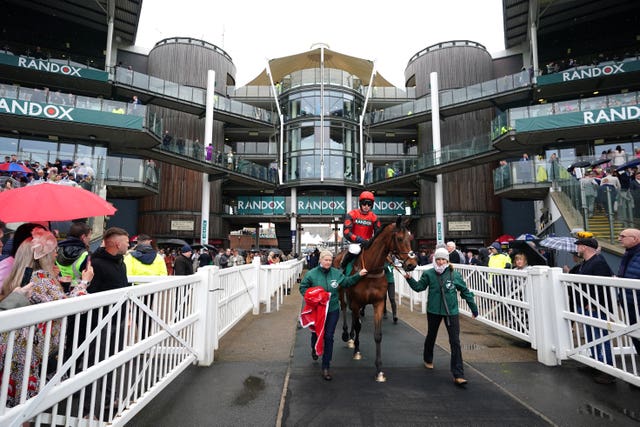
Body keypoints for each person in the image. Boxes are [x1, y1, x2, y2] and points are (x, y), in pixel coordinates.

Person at [0, 228, 92, 408]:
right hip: (33, 352)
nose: (57, 252)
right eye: (54, 250)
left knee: (14, 405)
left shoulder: (23, 276)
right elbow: (68, 307)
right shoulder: (41, 278)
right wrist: (84, 282)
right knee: (24, 407)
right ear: (43, 255)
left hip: (19, 347)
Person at [402, 247, 478, 386]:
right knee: (431, 335)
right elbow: (419, 287)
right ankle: (428, 358)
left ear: (447, 260)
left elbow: (465, 292)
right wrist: (409, 279)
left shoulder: (454, 275)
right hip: (434, 311)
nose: (441, 262)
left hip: (451, 312)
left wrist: (473, 308)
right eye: (438, 259)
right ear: (434, 260)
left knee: (455, 342)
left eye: (443, 259)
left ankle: (458, 374)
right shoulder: (429, 274)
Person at [299, 250, 368, 381]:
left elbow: (347, 282)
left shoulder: (336, 274)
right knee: (316, 333)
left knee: (329, 336)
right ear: (320, 260)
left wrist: (359, 275)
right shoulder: (311, 274)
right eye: (326, 260)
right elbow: (303, 288)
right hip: (317, 310)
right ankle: (314, 348)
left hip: (332, 310)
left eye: (330, 260)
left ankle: (326, 366)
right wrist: (314, 296)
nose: (328, 262)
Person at [569, 237, 616, 384]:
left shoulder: (599, 262)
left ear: (585, 247)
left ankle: (607, 370)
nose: (576, 249)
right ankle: (595, 364)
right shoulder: (585, 263)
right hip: (584, 305)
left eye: (579, 246)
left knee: (601, 336)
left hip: (595, 306)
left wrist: (595, 304)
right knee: (590, 336)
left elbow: (603, 285)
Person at [341, 191, 382, 270]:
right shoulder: (352, 214)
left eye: (369, 204)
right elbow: (346, 232)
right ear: (360, 204)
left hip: (369, 243)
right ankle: (342, 268)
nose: (366, 206)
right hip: (355, 243)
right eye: (364, 203)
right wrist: (359, 239)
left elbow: (378, 234)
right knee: (355, 250)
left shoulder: (375, 217)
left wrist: (371, 241)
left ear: (372, 205)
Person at [617, 229, 640, 358]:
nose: (619, 239)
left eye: (623, 236)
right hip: (628, 301)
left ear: (635, 239)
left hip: (636, 300)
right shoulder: (628, 253)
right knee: (634, 332)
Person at [56, 222, 91, 288]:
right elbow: (89, 277)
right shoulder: (86, 255)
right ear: (83, 237)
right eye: (89, 236)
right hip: (78, 290)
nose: (90, 238)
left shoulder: (58, 250)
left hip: (59, 287)